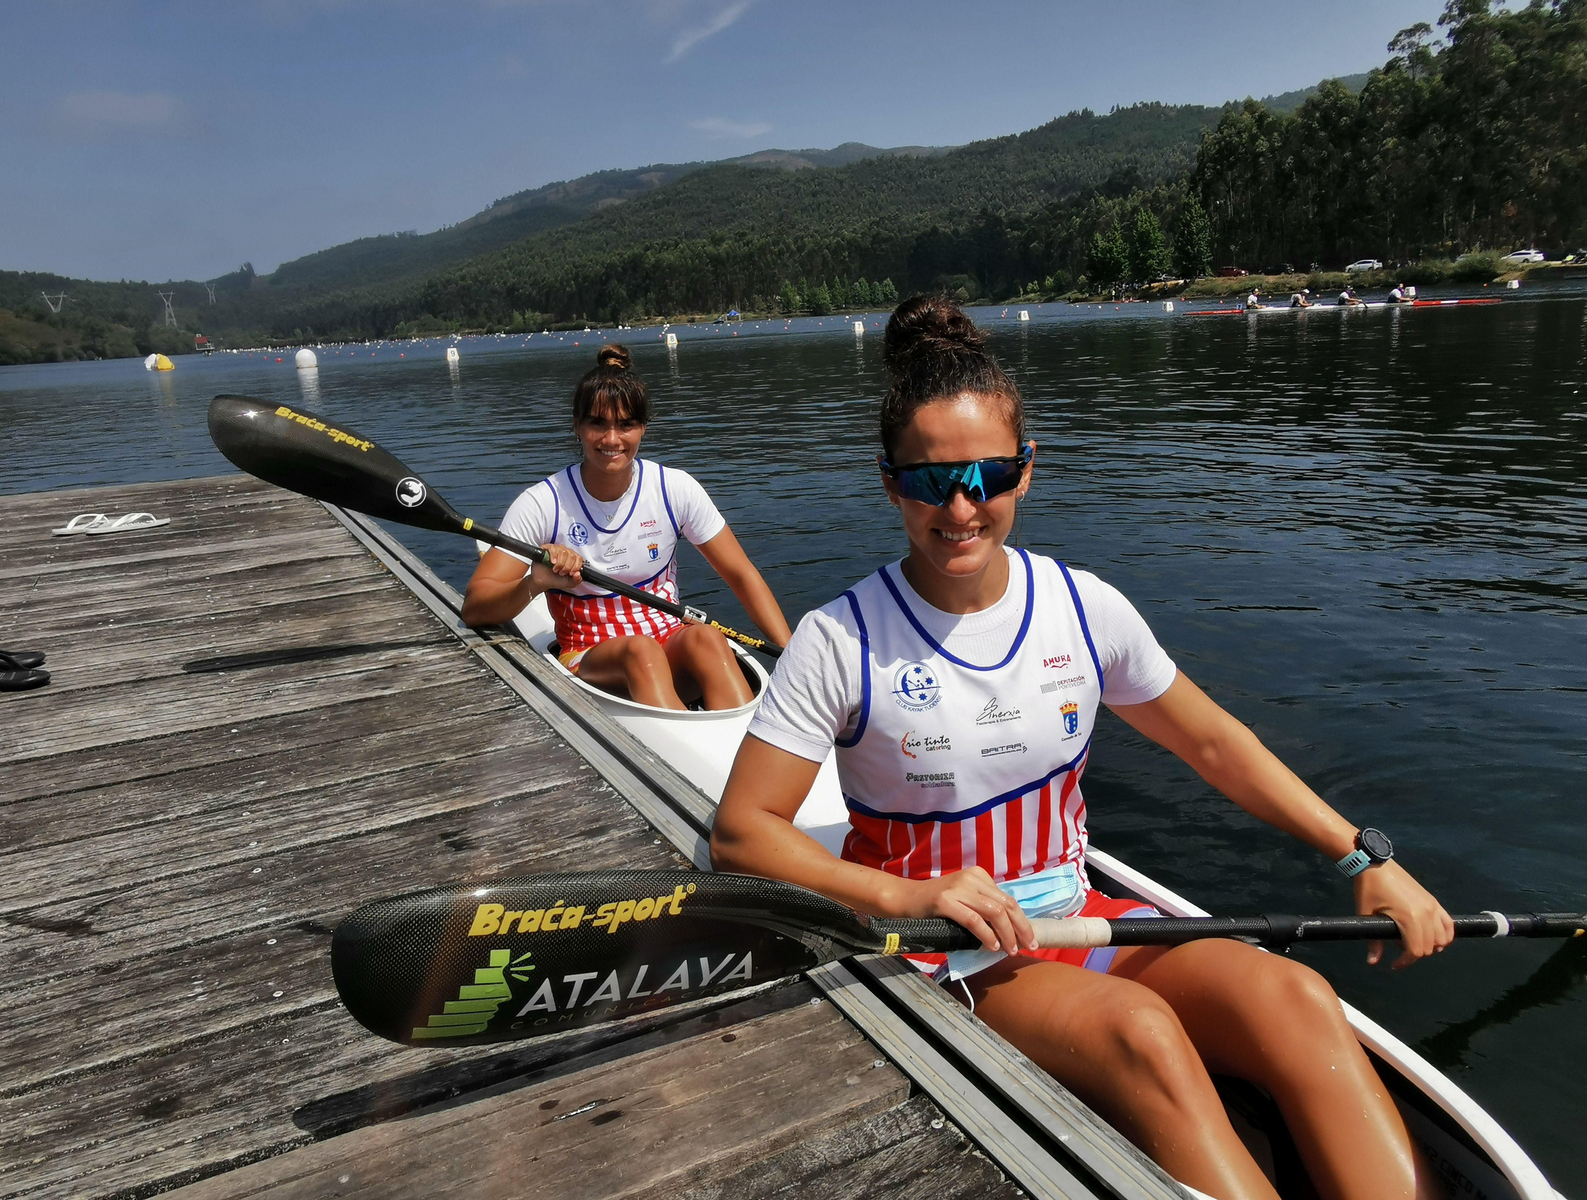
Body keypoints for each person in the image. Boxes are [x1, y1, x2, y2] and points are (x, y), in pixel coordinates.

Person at [711, 295, 1452, 1198]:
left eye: (986, 476)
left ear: (1026, 472)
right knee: (1143, 1034)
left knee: (1294, 998)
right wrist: (910, 893)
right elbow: (744, 834)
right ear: (888, 482)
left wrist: (1362, 854)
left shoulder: (1082, 606)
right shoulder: (838, 640)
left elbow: (1215, 744)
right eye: (926, 481)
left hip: (1076, 911)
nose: (959, 506)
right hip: (939, 944)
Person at [462, 344, 790, 711]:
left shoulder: (674, 488)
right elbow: (475, 607)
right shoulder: (543, 503)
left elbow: (742, 575)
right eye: (597, 423)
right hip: (590, 656)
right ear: (577, 426)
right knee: (640, 651)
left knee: (708, 640)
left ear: (643, 428)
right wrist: (535, 582)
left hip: (667, 641)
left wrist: (794, 658)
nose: (612, 440)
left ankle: (754, 745)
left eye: (626, 424)